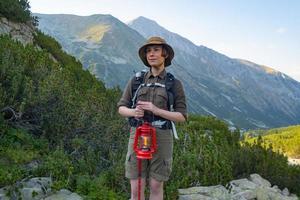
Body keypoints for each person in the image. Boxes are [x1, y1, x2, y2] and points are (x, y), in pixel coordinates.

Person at [117, 36, 187, 200]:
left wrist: (157, 110)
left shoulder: (174, 84)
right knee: (136, 186)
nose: (151, 54)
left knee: (156, 185)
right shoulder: (136, 80)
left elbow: (181, 116)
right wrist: (133, 112)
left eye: (156, 50)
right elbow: (121, 108)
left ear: (165, 54)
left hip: (162, 136)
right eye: (148, 51)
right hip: (138, 134)